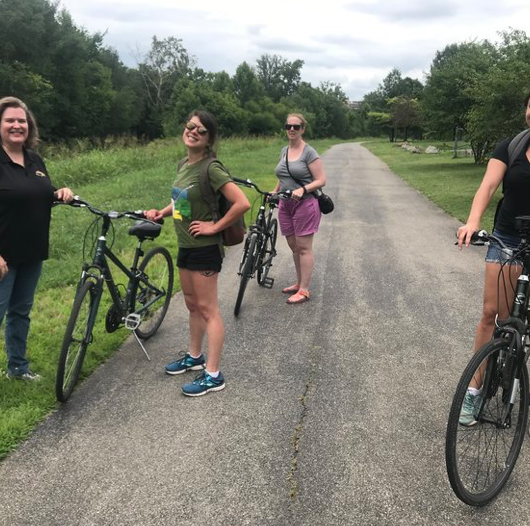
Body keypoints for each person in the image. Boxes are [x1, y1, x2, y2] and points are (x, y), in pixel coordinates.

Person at [145, 110, 250, 397]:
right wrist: (162, 212)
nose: (193, 131)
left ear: (209, 139)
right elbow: (181, 199)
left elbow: (242, 203)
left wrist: (214, 226)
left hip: (205, 248)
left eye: (200, 130)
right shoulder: (184, 164)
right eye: (190, 126)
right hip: (185, 245)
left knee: (208, 309)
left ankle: (214, 374)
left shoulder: (211, 168)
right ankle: (194, 357)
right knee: (192, 304)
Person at [456, 90, 530, 425]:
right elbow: (487, 186)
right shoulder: (511, 146)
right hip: (508, 237)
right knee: (492, 315)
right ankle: (473, 392)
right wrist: (473, 221)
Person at [0, 96, 73, 380]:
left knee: (21, 312)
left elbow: (39, 194)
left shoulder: (34, 159)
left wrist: (59, 193)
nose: (17, 125)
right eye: (10, 121)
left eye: (22, 121)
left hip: (32, 253)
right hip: (4, 257)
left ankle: (17, 368)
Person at [273, 113, 327, 304]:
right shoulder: (284, 151)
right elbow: (283, 176)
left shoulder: (309, 152)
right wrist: (275, 191)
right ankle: (298, 283)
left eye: (296, 126)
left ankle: (304, 290)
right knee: (294, 247)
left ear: (303, 129)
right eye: (289, 126)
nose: (292, 130)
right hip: (285, 204)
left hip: (305, 204)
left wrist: (302, 189)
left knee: (304, 248)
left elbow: (321, 180)